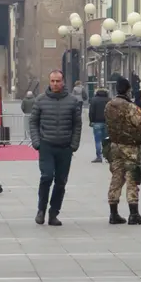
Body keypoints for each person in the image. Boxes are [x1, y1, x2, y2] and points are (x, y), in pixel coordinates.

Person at [29, 70, 82, 226]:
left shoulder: (72, 101)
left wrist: (74, 144)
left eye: (58, 81)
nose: (55, 84)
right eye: (52, 81)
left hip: (65, 147)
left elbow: (77, 124)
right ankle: (41, 209)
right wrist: (36, 142)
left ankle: (54, 213)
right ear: (49, 81)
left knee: (60, 181)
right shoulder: (40, 100)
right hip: (46, 145)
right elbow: (33, 122)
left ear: (63, 82)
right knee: (46, 177)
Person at [104, 77, 141, 225]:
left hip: (114, 145)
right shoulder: (130, 107)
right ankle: (134, 214)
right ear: (128, 90)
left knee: (116, 177)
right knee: (132, 176)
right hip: (129, 146)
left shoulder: (109, 105)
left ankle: (113, 213)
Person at [88, 87, 110, 164]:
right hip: (107, 122)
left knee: (98, 141)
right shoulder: (109, 100)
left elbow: (91, 112)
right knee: (106, 140)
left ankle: (99, 157)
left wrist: (91, 121)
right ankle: (107, 157)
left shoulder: (94, 100)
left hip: (97, 122)